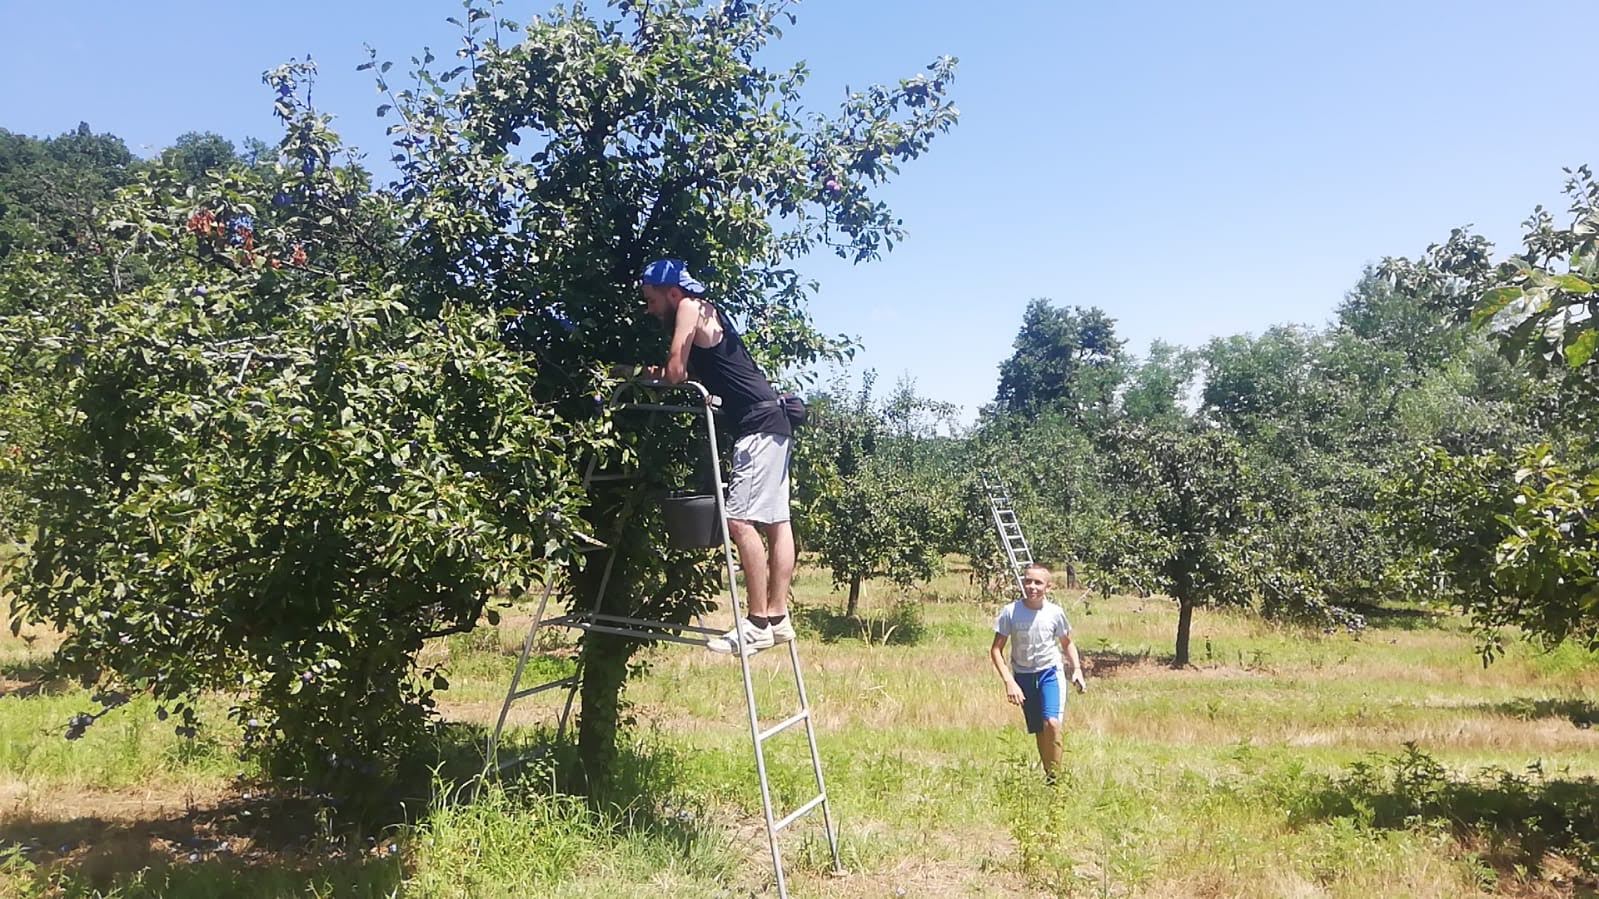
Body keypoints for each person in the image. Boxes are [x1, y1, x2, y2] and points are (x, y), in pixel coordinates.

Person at [639, 259, 795, 656]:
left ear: (673, 293)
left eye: (653, 300)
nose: (650, 308)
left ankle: (757, 622)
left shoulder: (690, 307)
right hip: (774, 418)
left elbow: (675, 372)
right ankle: (778, 618)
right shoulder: (707, 311)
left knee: (739, 521)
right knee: (777, 521)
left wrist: (644, 374)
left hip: (756, 426)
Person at [989, 562, 1086, 780]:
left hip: (1049, 672)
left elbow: (1066, 642)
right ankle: (1049, 776)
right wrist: (1009, 682)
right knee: (1040, 730)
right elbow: (996, 650)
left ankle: (1056, 779)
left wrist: (1077, 669)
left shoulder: (1055, 613)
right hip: (1023, 676)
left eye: (1038, 582)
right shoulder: (1011, 612)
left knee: (1051, 723)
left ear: (1048, 588)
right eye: (1028, 581)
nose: (1032, 586)